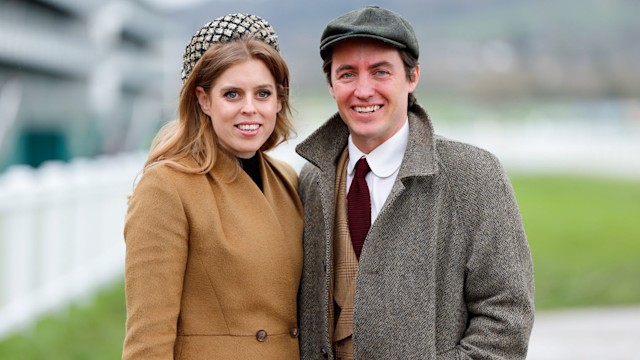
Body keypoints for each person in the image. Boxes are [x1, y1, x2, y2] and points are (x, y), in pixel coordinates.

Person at [295, 5, 535, 359]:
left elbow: (507, 320)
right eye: (347, 74)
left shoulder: (474, 175)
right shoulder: (311, 179)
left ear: (412, 77)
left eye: (380, 72)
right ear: (331, 84)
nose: (363, 90)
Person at [122, 13, 303, 360]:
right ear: (204, 100)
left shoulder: (287, 180)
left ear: (279, 99)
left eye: (262, 93)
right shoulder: (167, 187)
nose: (250, 109)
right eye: (232, 94)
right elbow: (148, 342)